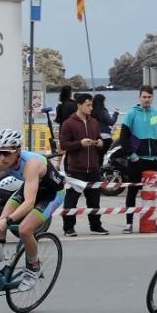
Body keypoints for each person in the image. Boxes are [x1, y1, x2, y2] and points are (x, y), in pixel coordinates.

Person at [0, 129, 65, 290]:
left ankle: (34, 267)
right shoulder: (1, 161)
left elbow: (29, 203)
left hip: (52, 194)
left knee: (24, 230)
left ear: (18, 151)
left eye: (6, 153)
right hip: (31, 188)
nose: (2, 157)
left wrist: (7, 221)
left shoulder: (32, 165)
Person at [116, 85, 157, 233]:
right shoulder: (132, 113)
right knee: (132, 191)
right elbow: (123, 137)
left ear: (153, 98)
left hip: (152, 159)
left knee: (150, 193)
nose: (147, 99)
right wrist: (131, 155)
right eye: (144, 97)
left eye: (149, 97)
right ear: (139, 98)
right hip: (137, 159)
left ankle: (151, 222)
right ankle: (129, 223)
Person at [59, 93, 107, 236]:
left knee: (94, 200)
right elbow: (63, 144)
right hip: (76, 168)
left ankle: (96, 225)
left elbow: (99, 138)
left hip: (93, 167)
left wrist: (100, 143)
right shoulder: (68, 123)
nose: (91, 108)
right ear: (79, 105)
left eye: (91, 105)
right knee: (71, 200)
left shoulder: (94, 122)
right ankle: (68, 227)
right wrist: (80, 144)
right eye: (88, 105)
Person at [91, 94, 119, 159]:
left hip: (94, 137)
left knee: (98, 158)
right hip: (106, 137)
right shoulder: (103, 111)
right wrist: (116, 113)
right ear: (102, 102)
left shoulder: (91, 111)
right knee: (112, 155)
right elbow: (111, 122)